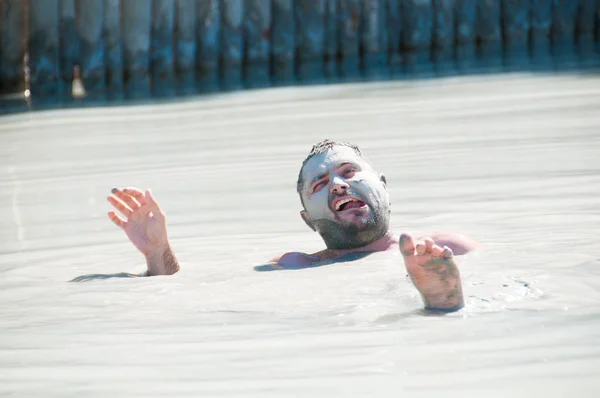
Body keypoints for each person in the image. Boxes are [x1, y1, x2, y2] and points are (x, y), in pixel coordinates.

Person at [107, 140, 479, 311]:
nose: (337, 184)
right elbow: (187, 300)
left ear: (382, 185)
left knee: (441, 302)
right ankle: (440, 303)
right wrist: (158, 254)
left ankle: (442, 299)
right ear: (308, 220)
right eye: (320, 184)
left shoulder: (448, 247)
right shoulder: (292, 266)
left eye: (348, 172)